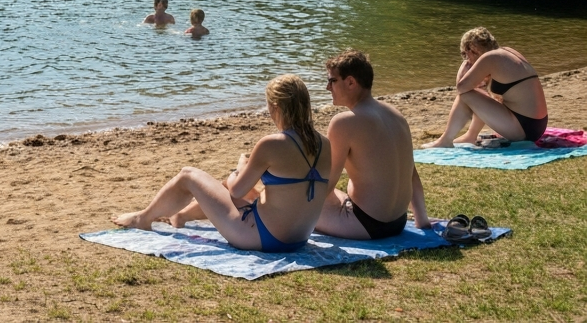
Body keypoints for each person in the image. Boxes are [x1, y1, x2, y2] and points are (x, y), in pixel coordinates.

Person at [112, 75, 331, 253]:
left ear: (275, 107)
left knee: (189, 174)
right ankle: (181, 215)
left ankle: (143, 218)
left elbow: (237, 190)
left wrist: (240, 167)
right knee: (230, 188)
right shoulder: (325, 145)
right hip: (298, 239)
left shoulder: (272, 144)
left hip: (261, 238)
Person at [316, 50, 432, 240]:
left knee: (294, 197)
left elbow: (328, 182)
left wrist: (298, 210)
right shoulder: (396, 115)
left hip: (367, 224)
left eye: (332, 81)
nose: (328, 87)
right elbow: (411, 173)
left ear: (351, 82)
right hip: (398, 222)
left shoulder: (343, 122)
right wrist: (422, 221)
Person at [423, 27, 548, 147]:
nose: (467, 59)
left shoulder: (488, 59)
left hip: (524, 129)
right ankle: (470, 136)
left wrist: (464, 67)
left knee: (467, 94)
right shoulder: (506, 52)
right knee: (479, 94)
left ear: (470, 50)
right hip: (537, 125)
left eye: (465, 54)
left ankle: (446, 140)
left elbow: (461, 88)